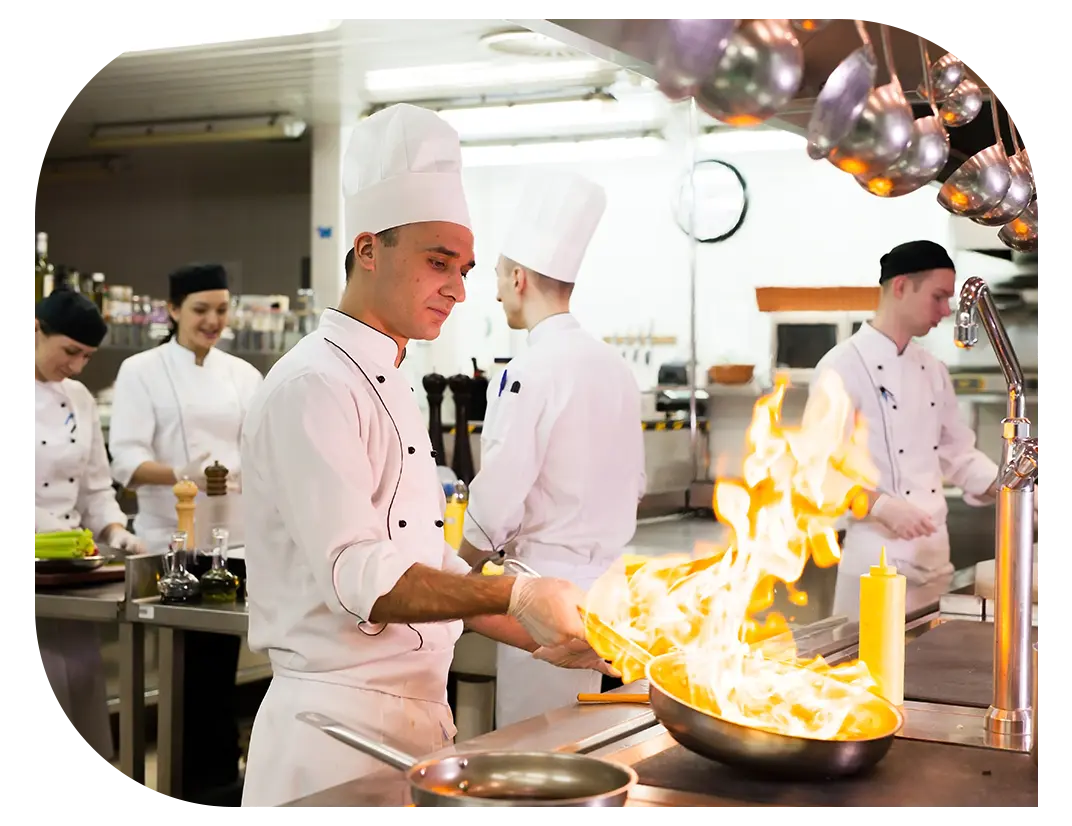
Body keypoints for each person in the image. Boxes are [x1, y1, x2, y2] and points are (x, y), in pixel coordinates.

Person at [238, 103, 612, 808]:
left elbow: (426, 564)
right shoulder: (313, 385)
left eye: (466, 268)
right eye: (439, 262)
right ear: (368, 248)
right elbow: (362, 575)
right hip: (332, 737)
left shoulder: (392, 378)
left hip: (412, 729)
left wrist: (555, 634)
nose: (460, 288)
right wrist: (515, 592)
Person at [456, 170, 646, 729]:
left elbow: (497, 499)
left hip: (542, 600)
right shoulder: (614, 366)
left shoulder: (529, 369)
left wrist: (451, 576)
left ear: (517, 278)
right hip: (611, 593)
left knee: (541, 759)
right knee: (602, 749)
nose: (492, 292)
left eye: (494, 276)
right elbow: (634, 483)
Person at [107, 263, 263, 804]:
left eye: (221, 309)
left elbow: (261, 449)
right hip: (171, 541)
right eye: (200, 310)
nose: (213, 320)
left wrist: (243, 474)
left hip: (235, 538)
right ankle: (186, 785)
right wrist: (184, 476)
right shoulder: (141, 371)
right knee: (185, 668)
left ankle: (220, 779)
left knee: (223, 665)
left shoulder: (244, 376)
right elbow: (125, 458)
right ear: (172, 310)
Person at [806, 240, 1000, 619]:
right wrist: (881, 505)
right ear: (900, 287)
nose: (946, 311)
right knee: (870, 673)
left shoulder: (932, 369)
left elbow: (956, 453)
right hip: (876, 563)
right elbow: (818, 471)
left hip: (935, 560)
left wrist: (1011, 488)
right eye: (938, 297)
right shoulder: (841, 367)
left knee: (928, 673)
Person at [32, 288, 146, 765]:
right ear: (36, 330)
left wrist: (117, 531)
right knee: (42, 685)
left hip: (72, 574)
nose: (78, 366)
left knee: (80, 682)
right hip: (26, 572)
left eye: (87, 356)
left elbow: (97, 488)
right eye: (70, 352)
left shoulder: (77, 398)